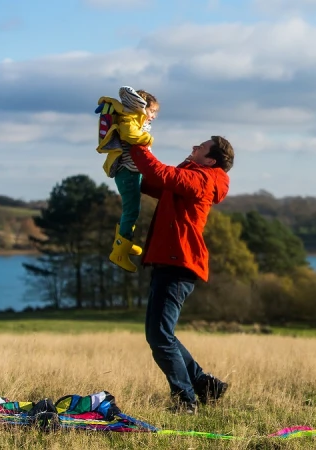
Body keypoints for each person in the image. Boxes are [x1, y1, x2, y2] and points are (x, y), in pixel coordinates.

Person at [128, 136, 235, 414]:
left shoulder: (204, 180)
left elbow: (160, 173)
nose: (193, 147)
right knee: (162, 334)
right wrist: (126, 165)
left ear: (211, 160)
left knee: (160, 336)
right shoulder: (193, 173)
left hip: (179, 263)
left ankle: (186, 401)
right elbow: (153, 183)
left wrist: (136, 145)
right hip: (169, 262)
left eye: (200, 147)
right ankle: (204, 385)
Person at [96, 87, 160, 273]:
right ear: (141, 107)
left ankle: (125, 240)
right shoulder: (128, 118)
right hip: (127, 172)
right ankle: (119, 251)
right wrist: (148, 138)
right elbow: (128, 135)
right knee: (131, 210)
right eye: (152, 111)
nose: (154, 116)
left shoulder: (135, 119)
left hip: (132, 172)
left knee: (132, 210)